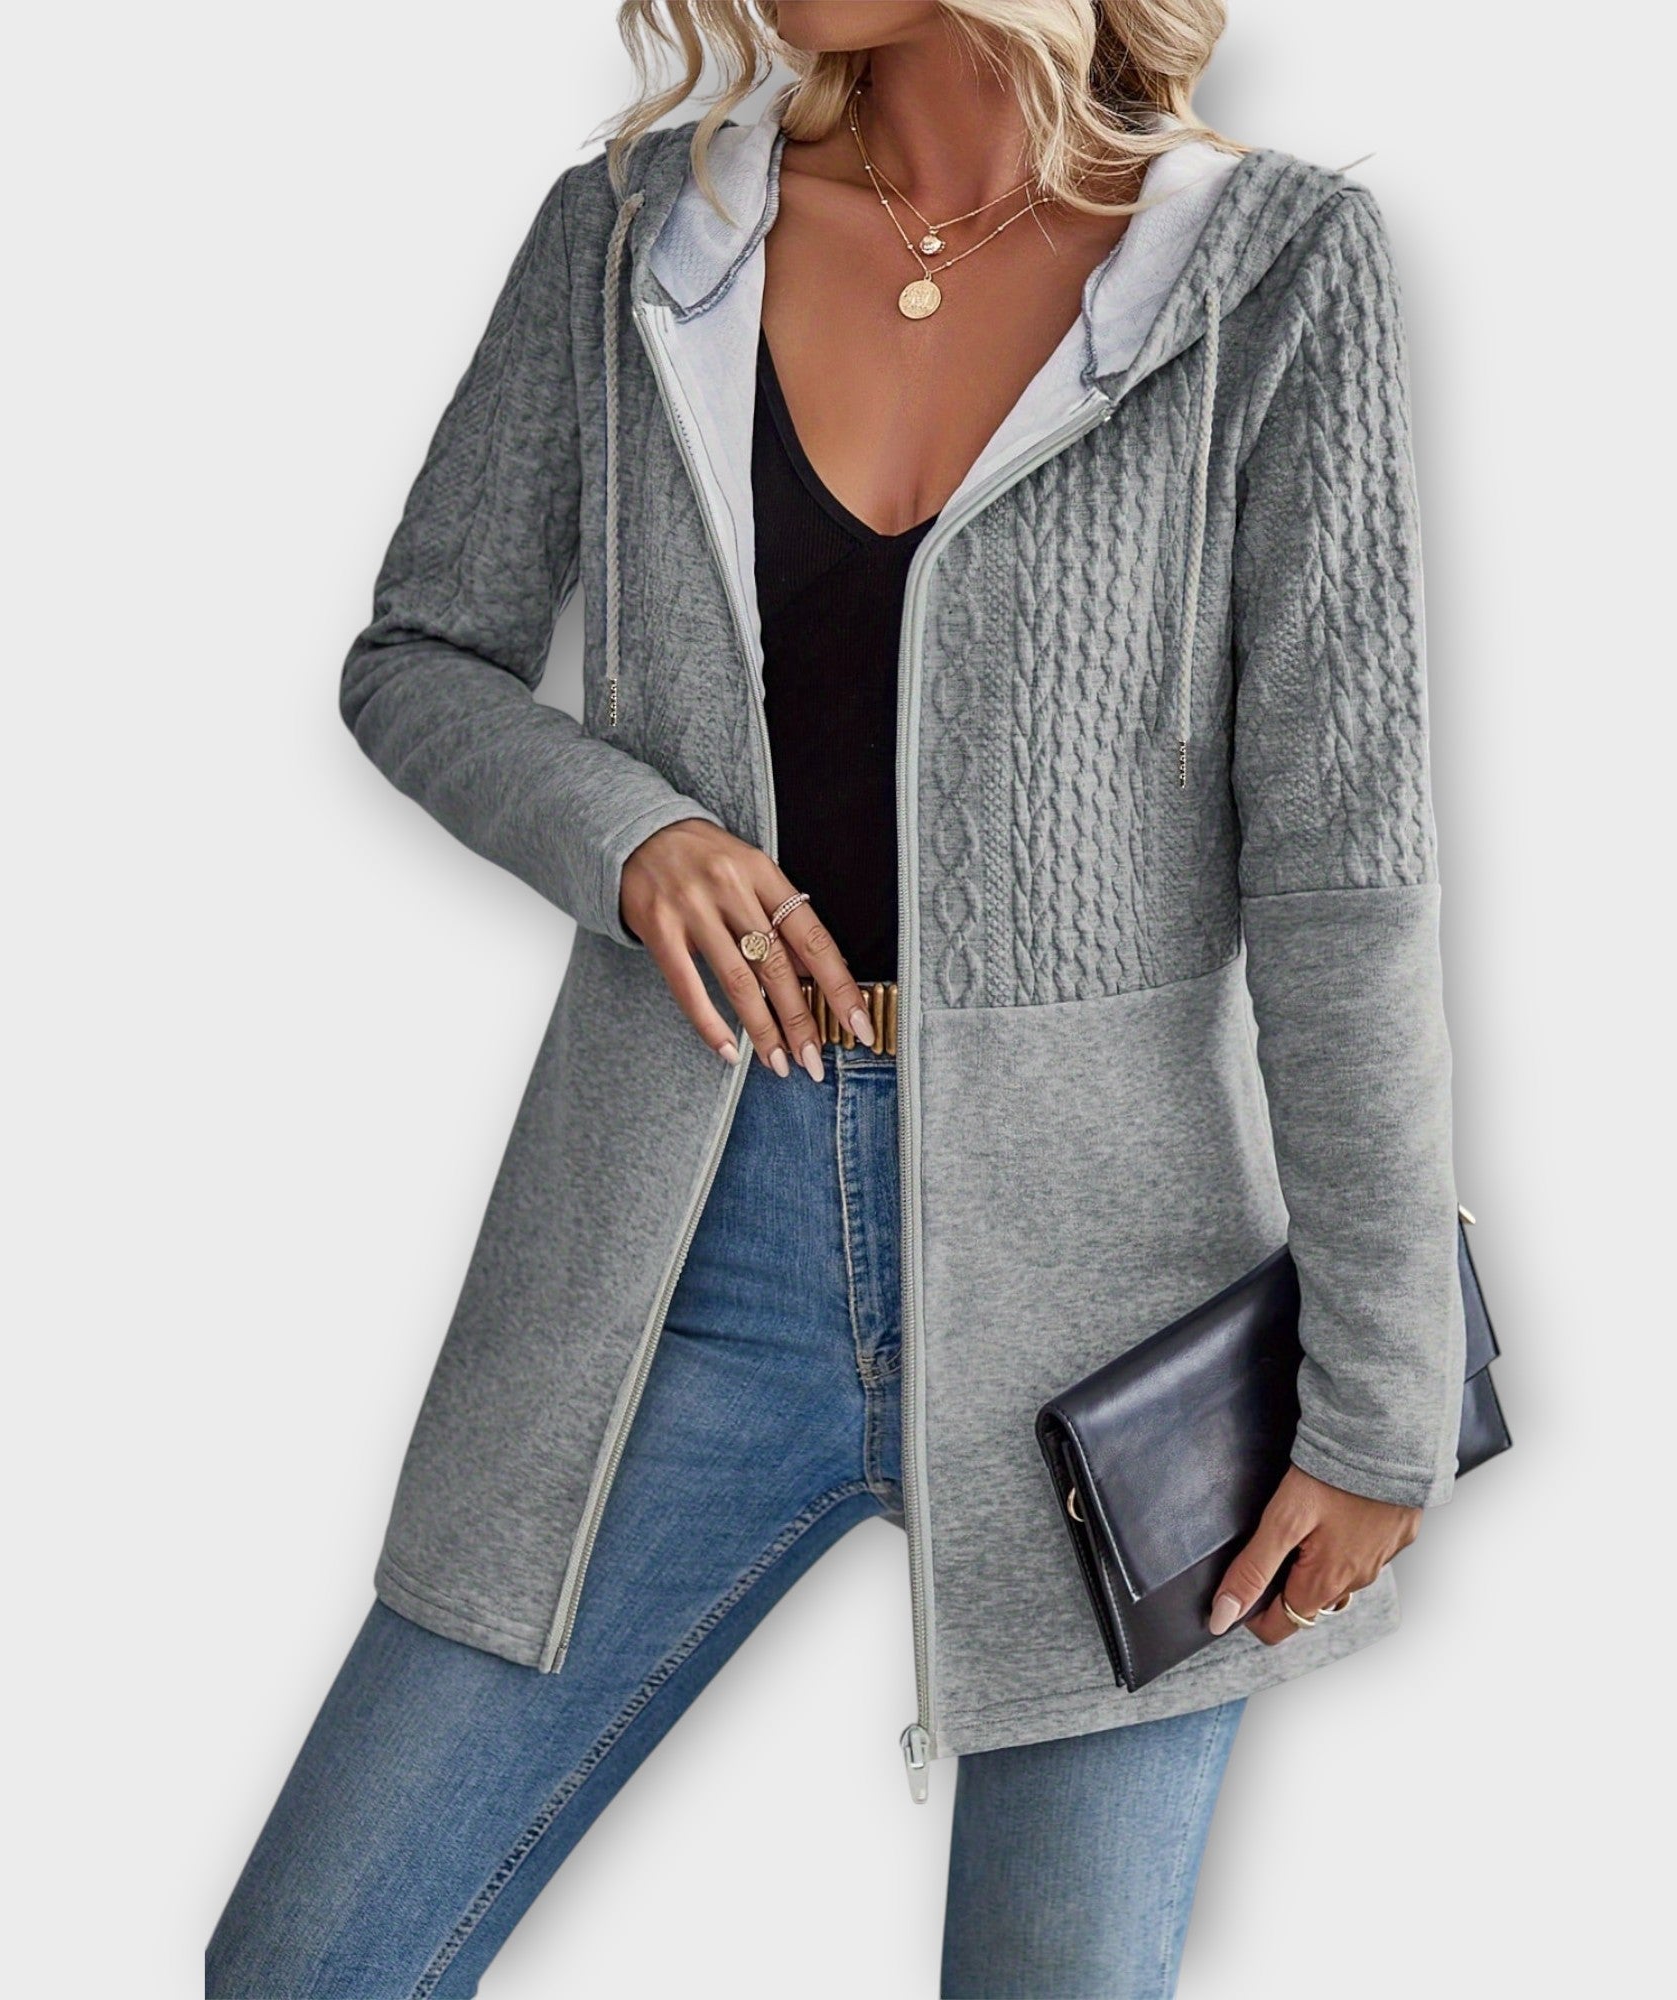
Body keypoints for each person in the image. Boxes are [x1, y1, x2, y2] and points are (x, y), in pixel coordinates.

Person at [207, 3, 1467, 1993]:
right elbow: (420, 652)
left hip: (1116, 1312)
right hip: (679, 1250)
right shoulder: (636, 237)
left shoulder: (1270, 269)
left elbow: (1342, 876)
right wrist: (628, 832)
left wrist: (1381, 1402)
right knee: (309, 1962)